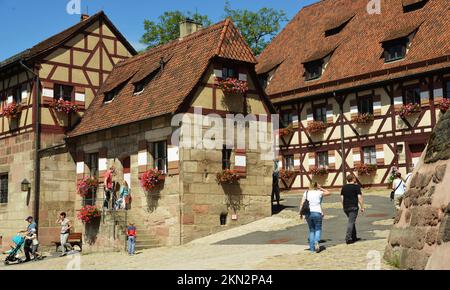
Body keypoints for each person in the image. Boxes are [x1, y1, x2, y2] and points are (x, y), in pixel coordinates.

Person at [300, 182, 331, 253]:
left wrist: (301, 214)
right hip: (317, 212)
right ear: (316, 186)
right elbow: (328, 193)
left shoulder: (306, 193)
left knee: (311, 230)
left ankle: (311, 249)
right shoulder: (319, 192)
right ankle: (316, 241)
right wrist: (320, 188)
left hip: (308, 213)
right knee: (318, 229)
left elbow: (302, 203)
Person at [341, 175, 365, 245]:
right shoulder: (356, 187)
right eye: (355, 178)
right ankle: (348, 238)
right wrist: (362, 207)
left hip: (346, 207)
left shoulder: (344, 187)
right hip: (353, 207)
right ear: (353, 179)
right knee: (351, 222)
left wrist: (343, 206)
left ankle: (354, 237)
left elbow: (342, 197)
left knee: (352, 221)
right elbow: (359, 197)